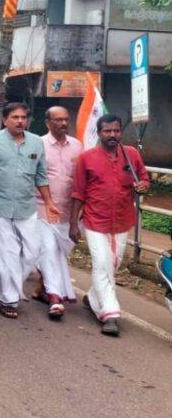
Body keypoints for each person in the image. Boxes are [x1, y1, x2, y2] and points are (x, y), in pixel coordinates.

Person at [70, 114, 149, 336]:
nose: (112, 135)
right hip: (95, 220)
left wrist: (143, 185)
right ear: (99, 133)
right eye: (107, 131)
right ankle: (109, 313)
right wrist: (73, 224)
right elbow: (78, 192)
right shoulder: (87, 158)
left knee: (112, 265)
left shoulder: (131, 154)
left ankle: (93, 297)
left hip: (122, 220)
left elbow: (144, 178)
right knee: (102, 263)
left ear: (120, 132)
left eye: (116, 131)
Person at [0, 102, 60, 319]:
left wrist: (49, 202)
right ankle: (7, 299)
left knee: (32, 252)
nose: (20, 121)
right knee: (7, 254)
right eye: (15, 117)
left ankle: (4, 287)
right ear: (4, 120)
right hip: (0, 207)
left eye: (23, 117)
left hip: (27, 207)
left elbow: (41, 175)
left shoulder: (36, 142)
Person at [33, 106, 82, 319]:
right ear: (47, 123)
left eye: (66, 119)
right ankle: (55, 297)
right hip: (42, 207)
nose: (63, 123)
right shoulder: (38, 144)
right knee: (49, 250)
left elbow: (80, 178)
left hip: (68, 211)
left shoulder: (77, 146)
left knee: (60, 251)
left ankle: (41, 288)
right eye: (58, 120)